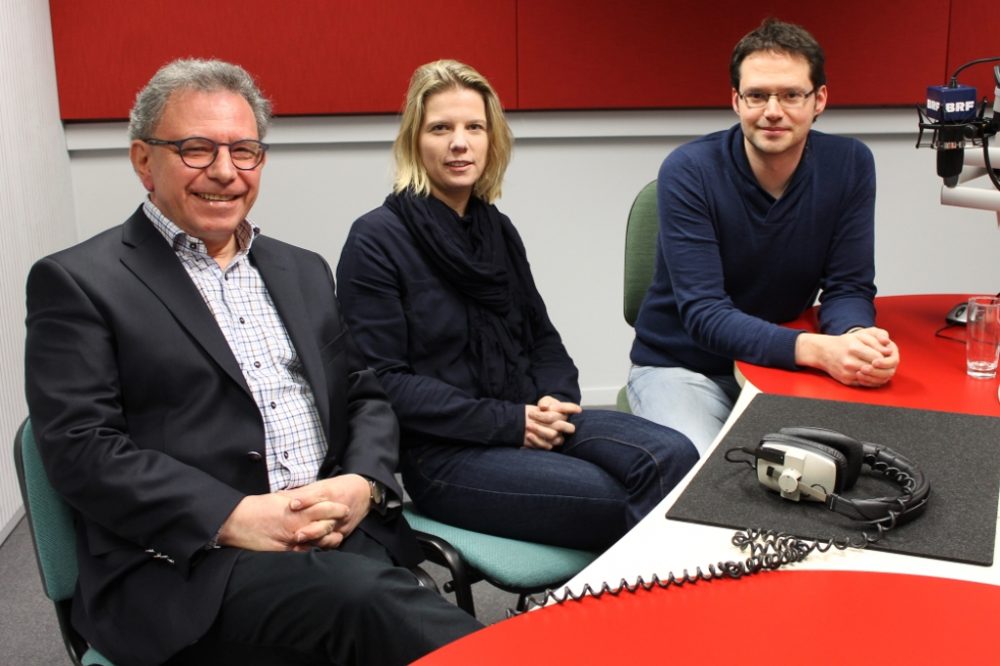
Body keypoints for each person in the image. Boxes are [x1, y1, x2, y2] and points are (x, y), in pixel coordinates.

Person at [24, 58, 482, 666]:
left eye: (245, 151)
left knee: (388, 606)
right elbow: (80, 449)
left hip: (333, 533)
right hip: (189, 567)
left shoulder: (302, 268)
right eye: (195, 149)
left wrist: (361, 483)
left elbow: (363, 391)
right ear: (143, 160)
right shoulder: (78, 282)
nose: (225, 172)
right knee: (374, 607)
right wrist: (234, 517)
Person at [336, 60, 698, 553]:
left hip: (530, 415)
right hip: (447, 455)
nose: (459, 143)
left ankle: (640, 610)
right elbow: (383, 383)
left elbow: (542, 337)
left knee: (674, 456)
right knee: (625, 497)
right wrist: (510, 424)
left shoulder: (496, 229)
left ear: (493, 139)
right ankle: (637, 620)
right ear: (414, 141)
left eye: (474, 127)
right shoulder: (376, 238)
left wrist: (553, 397)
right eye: (440, 128)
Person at [627, 18, 901, 454]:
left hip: (782, 365)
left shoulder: (849, 164)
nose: (773, 110)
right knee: (699, 473)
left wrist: (854, 338)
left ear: (819, 100)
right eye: (757, 95)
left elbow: (848, 286)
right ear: (736, 101)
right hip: (686, 367)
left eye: (792, 94)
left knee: (846, 468)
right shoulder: (689, 170)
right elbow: (704, 314)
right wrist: (816, 350)